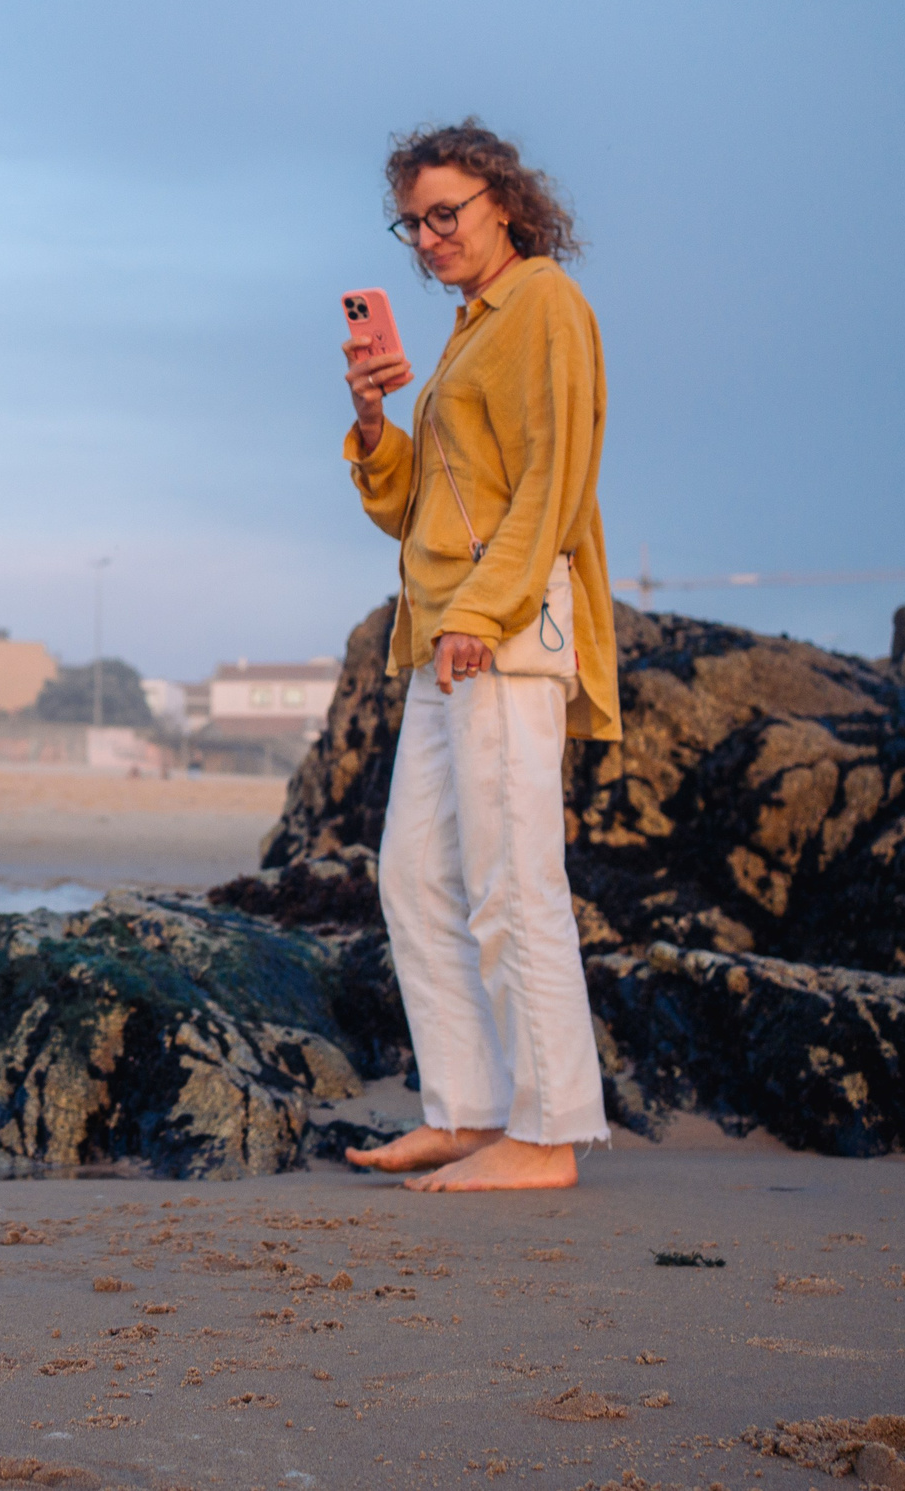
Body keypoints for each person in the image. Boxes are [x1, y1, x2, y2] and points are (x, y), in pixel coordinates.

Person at [335, 120, 620, 1193]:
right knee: (414, 871)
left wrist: (484, 611)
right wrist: (372, 423)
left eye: (444, 212)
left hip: (500, 626)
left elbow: (555, 482)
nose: (427, 236)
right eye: (411, 222)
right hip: (449, 630)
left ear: (503, 199)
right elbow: (421, 509)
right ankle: (470, 1111)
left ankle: (549, 1136)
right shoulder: (467, 328)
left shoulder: (543, 304)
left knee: (513, 880)